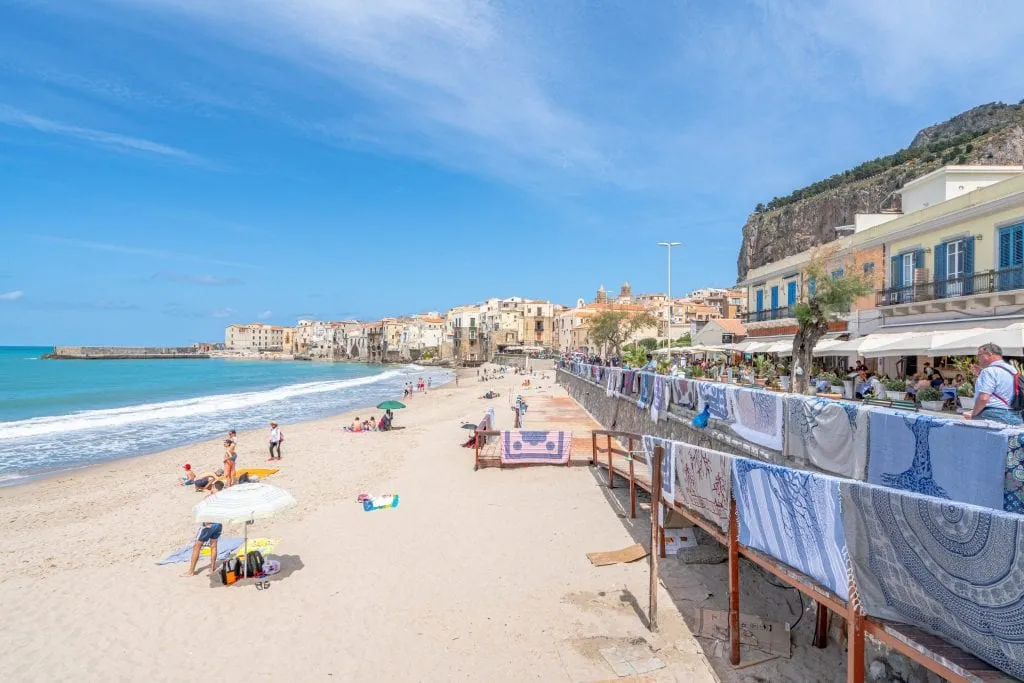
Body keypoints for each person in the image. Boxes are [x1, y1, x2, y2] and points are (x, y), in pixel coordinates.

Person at [965, 343, 1023, 425]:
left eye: (979, 355)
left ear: (989, 354)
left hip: (993, 415)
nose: (978, 358)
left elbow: (983, 398)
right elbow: (1002, 386)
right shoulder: (1012, 370)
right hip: (1014, 415)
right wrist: (981, 373)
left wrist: (974, 414)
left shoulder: (988, 371)